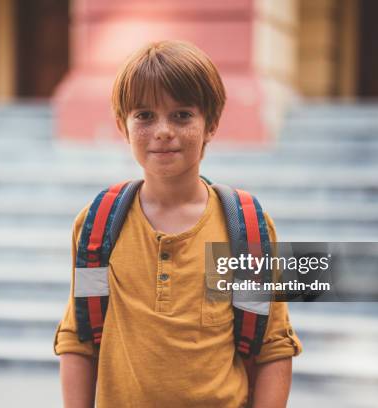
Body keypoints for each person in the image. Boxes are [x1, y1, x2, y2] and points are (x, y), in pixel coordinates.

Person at [54, 39, 303, 408]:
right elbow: (80, 339)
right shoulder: (98, 227)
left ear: (211, 124)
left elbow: (271, 347)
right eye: (145, 115)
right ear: (123, 126)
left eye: (182, 114)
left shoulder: (243, 230)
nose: (163, 130)